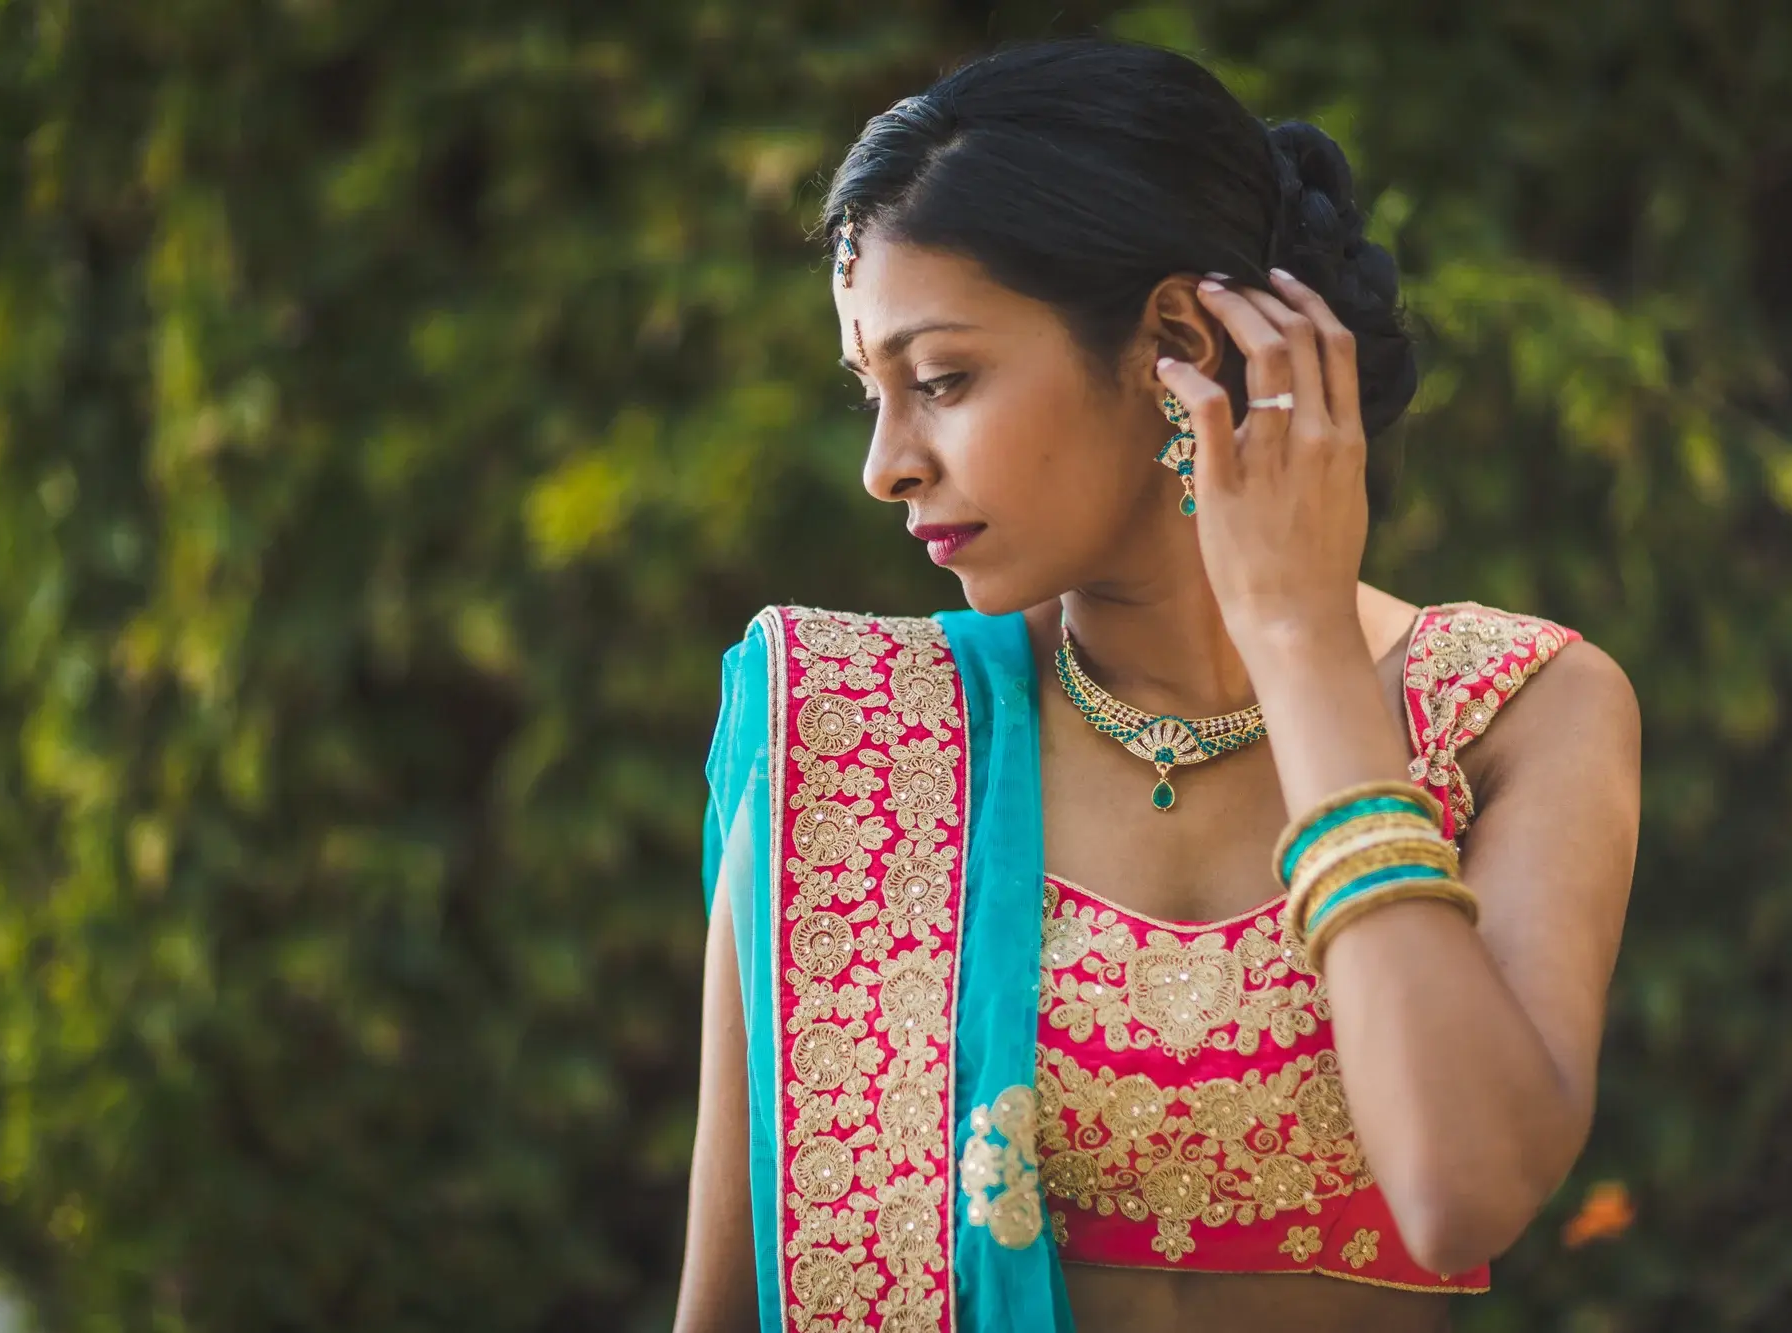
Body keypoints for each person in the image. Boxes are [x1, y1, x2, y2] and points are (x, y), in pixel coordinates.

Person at [677, 37, 1639, 1333]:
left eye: (943, 380)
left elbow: (1464, 1192)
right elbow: (729, 1307)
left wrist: (1299, 642)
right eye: (873, 393)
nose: (885, 464)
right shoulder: (850, 739)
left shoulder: (1515, 711)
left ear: (1175, 343)